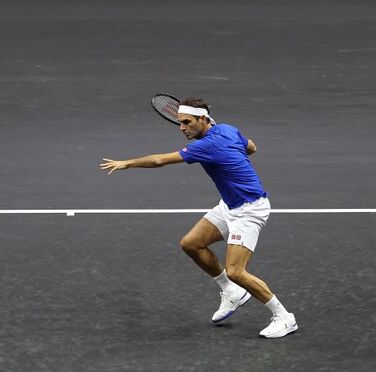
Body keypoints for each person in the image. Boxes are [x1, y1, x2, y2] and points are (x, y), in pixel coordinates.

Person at [99, 97, 297, 338]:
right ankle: (231, 292)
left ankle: (284, 317)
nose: (182, 128)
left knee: (236, 271)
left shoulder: (206, 146)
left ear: (203, 119)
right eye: (179, 124)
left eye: (186, 122)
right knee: (191, 244)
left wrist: (127, 163)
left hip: (249, 209)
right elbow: (251, 147)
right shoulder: (227, 129)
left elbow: (161, 160)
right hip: (230, 204)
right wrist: (234, 161)